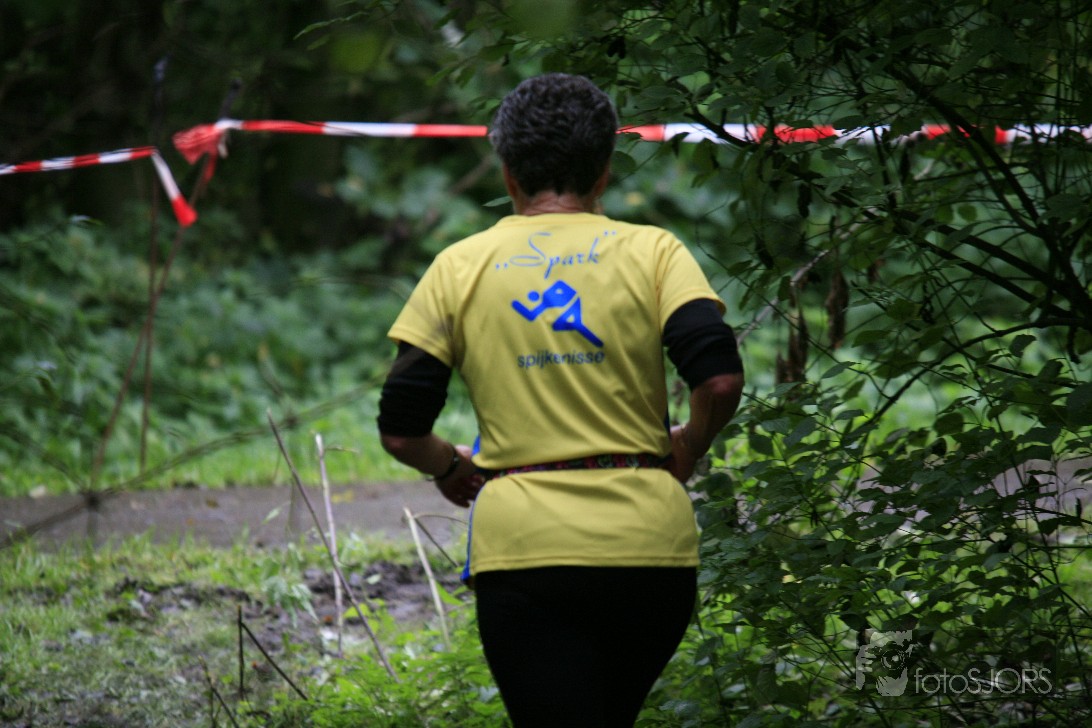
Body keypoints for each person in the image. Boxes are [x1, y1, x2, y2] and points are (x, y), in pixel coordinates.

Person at [377, 73, 744, 728]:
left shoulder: (459, 266)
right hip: (649, 550)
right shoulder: (656, 252)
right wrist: (689, 443)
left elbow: (402, 429)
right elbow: (718, 380)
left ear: (508, 172)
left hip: (523, 551)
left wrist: (449, 466)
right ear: (604, 171)